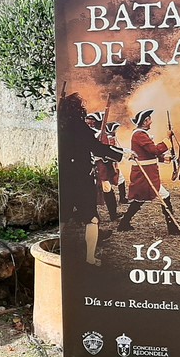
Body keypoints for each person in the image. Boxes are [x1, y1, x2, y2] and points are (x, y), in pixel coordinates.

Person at [57, 93, 124, 266]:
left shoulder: (59, 125)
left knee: (63, 218)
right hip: (81, 178)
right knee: (91, 219)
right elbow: (96, 147)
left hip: (64, 177)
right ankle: (90, 258)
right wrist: (121, 154)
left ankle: (54, 253)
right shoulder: (79, 126)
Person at [118, 109, 180, 236]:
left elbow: (148, 154)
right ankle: (172, 227)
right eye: (149, 119)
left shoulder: (141, 134)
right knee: (162, 197)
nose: (151, 121)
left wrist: (163, 159)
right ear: (145, 121)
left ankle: (124, 223)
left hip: (146, 173)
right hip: (144, 174)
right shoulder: (139, 135)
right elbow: (154, 150)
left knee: (140, 200)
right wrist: (167, 139)